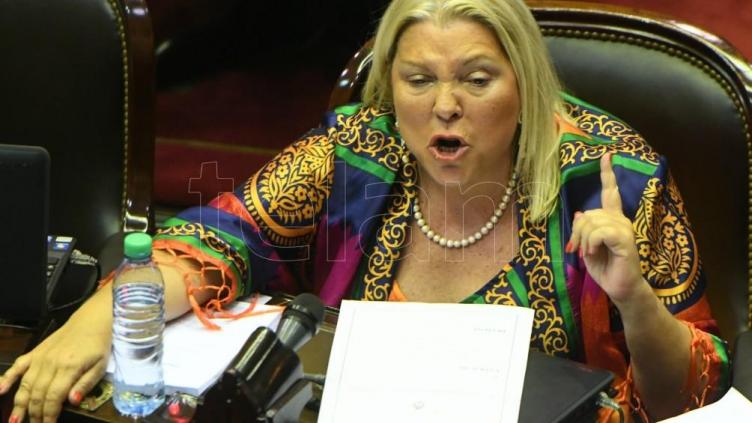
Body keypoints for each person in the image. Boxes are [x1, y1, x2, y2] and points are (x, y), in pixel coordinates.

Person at [0, 0, 730, 421]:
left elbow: (692, 396)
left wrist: (634, 299)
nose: (445, 105)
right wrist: (96, 321)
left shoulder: (614, 180)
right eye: (418, 79)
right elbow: (213, 241)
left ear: (525, 85)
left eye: (477, 79)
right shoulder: (356, 154)